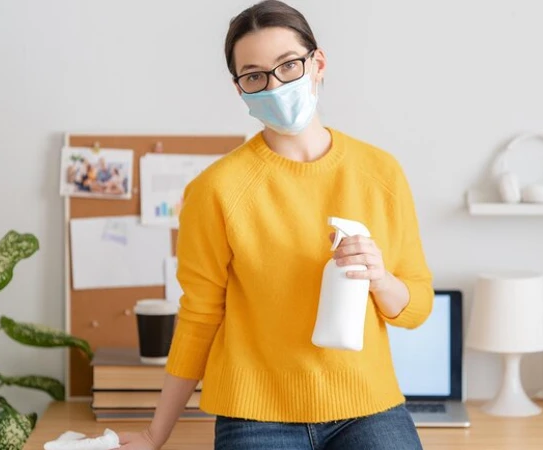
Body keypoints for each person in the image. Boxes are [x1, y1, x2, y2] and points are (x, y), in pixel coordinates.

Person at [118, 1, 433, 449]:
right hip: (255, 416)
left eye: (288, 66)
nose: (275, 85)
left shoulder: (380, 173)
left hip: (367, 409)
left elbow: (417, 306)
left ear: (317, 64)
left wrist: (379, 279)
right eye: (254, 76)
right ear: (240, 90)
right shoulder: (216, 190)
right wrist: (155, 434)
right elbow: (198, 318)